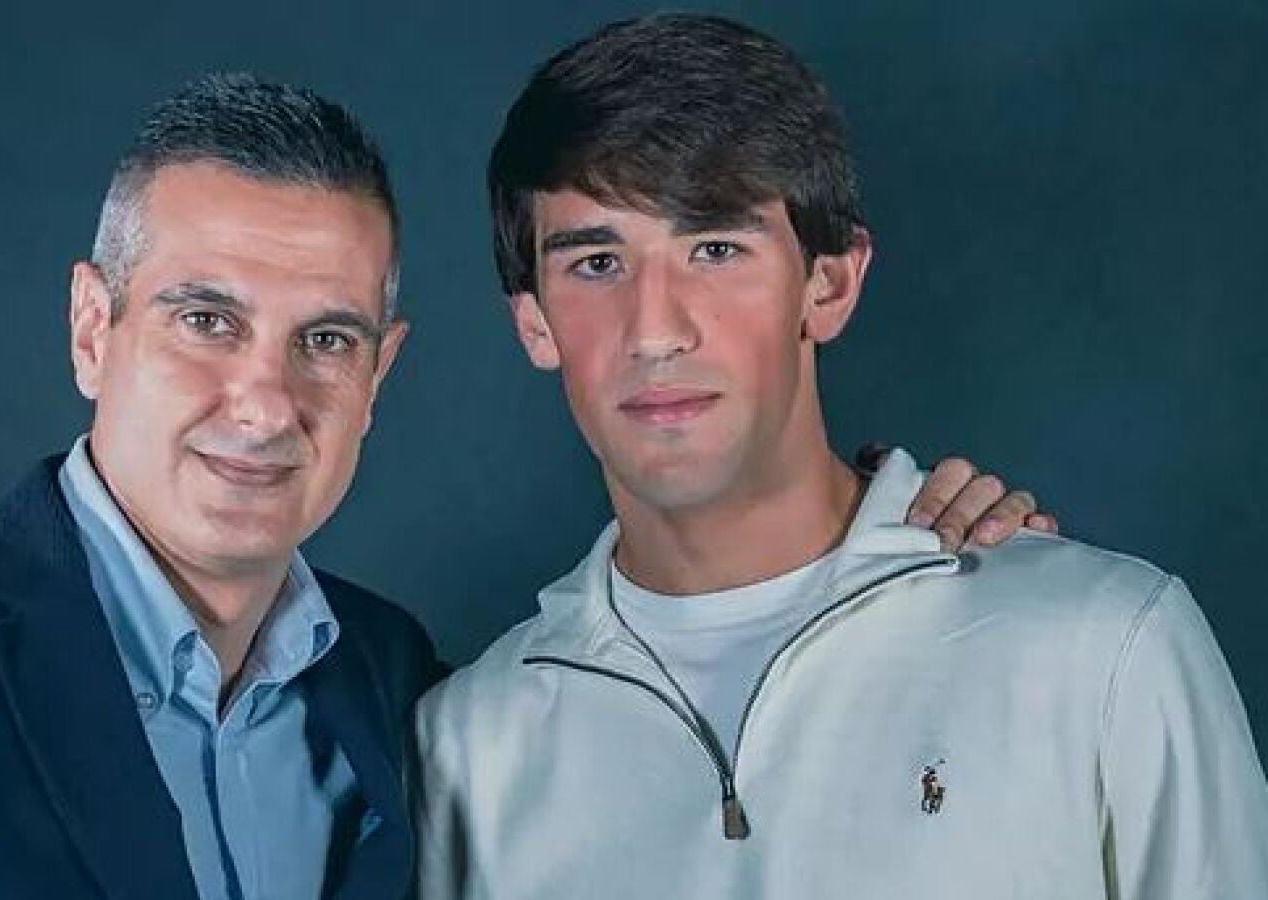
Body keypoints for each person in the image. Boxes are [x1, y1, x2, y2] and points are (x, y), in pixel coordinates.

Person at [0, 74, 1041, 900]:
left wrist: (894, 541)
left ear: (379, 374)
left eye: (323, 340)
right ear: (93, 329)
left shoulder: (392, 691)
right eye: (204, 320)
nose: (264, 401)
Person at [414, 13, 1268, 900]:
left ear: (828, 285)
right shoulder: (468, 749)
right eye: (597, 263)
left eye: (715, 249)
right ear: (534, 322)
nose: (655, 330)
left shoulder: (1102, 645)